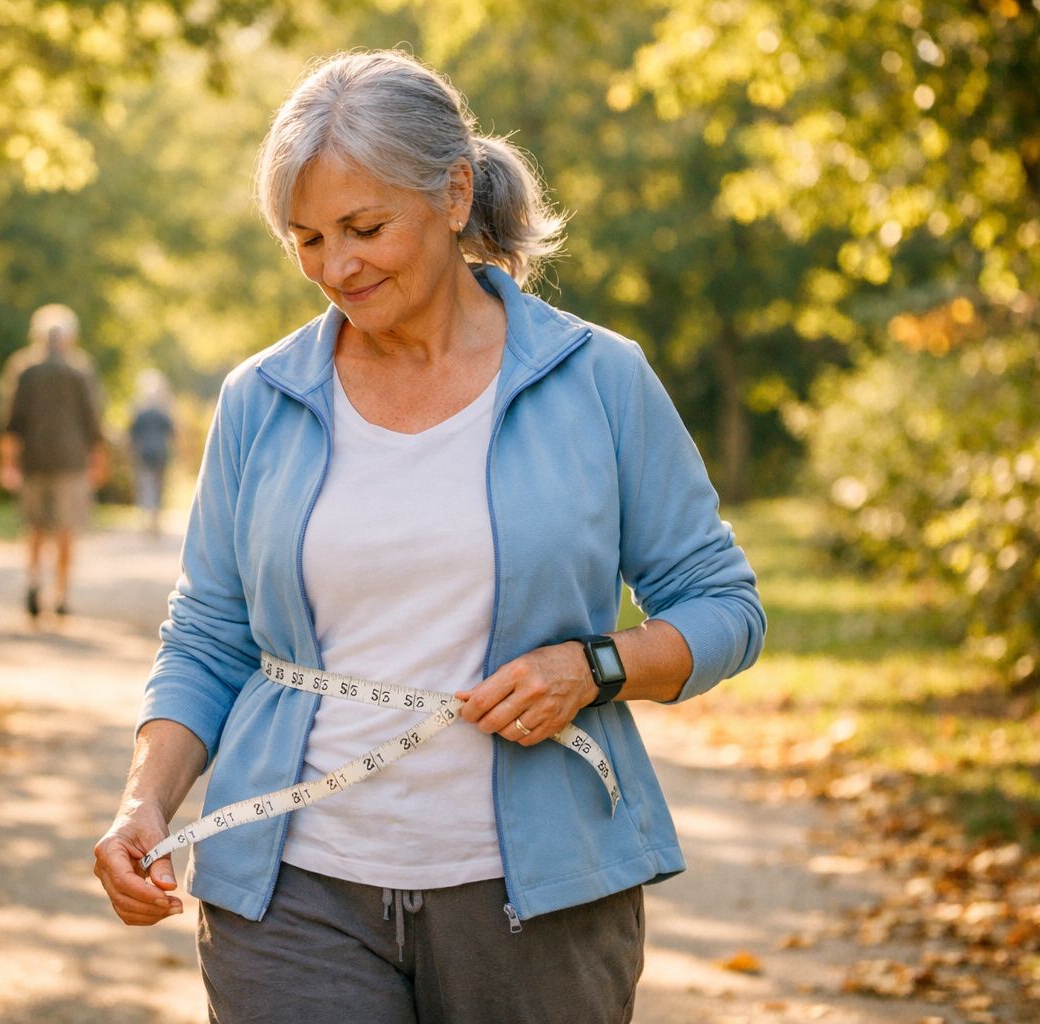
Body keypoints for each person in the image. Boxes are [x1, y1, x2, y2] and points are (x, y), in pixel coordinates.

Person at [93, 50, 767, 1023]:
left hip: (542, 900)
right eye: (307, 238)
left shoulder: (598, 381)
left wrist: (595, 667)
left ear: (454, 194)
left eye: (365, 228)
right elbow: (208, 632)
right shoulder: (261, 401)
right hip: (293, 894)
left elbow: (725, 605)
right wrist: (144, 800)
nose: (336, 266)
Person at [0, 303, 106, 619]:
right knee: (66, 530)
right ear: (70, 338)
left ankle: (33, 582)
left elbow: (11, 421)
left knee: (34, 527)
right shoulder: (80, 369)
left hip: (33, 460)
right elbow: (93, 421)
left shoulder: (23, 368)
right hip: (71, 462)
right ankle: (61, 594)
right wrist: (98, 462)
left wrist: (7, 463)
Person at [127, 369, 178, 537]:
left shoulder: (139, 412)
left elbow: (132, 435)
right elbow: (172, 434)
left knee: (145, 486)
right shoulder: (164, 411)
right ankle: (155, 520)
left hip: (143, 454)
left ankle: (145, 519)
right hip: (160, 453)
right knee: (158, 488)